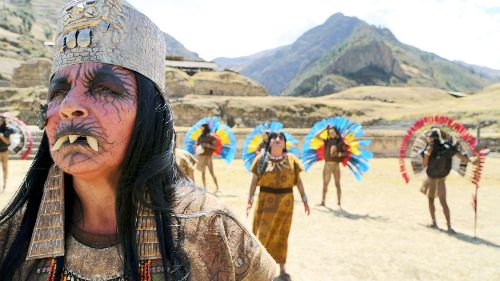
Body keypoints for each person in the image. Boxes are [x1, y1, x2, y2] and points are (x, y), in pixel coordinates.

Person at [0, 1, 276, 280]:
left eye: (105, 89)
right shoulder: (9, 239)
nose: (69, 106)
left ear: (148, 115)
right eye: (58, 91)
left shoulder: (215, 234)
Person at [246, 132, 310, 281]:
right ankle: (260, 267)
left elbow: (298, 181)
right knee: (262, 234)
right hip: (265, 204)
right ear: (269, 143)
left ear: (284, 143)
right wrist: (250, 200)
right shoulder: (261, 160)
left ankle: (281, 267)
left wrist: (305, 199)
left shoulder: (292, 160)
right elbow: (254, 181)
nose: (277, 139)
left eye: (281, 138)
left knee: (282, 235)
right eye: (274, 137)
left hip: (285, 206)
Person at [421, 128, 476, 233]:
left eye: (429, 138)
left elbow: (424, 164)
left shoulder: (429, 149)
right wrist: (472, 162)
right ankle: (449, 227)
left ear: (431, 139)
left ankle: (434, 223)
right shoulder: (447, 148)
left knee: (431, 200)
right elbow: (462, 157)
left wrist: (427, 154)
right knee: (443, 202)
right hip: (442, 178)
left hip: (432, 178)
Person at [319, 126, 347, 208]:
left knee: (337, 184)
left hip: (336, 166)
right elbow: (316, 136)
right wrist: (324, 129)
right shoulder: (327, 141)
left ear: (336, 133)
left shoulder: (340, 142)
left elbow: (346, 152)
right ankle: (323, 201)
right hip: (327, 165)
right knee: (325, 184)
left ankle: (339, 203)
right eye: (330, 132)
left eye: (333, 132)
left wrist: (339, 154)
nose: (331, 133)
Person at [196, 124, 220, 192]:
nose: (200, 128)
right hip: (201, 156)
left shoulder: (211, 136)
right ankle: (204, 188)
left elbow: (215, 147)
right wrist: (199, 148)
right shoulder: (200, 137)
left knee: (212, 172)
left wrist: (207, 145)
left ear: (205, 127)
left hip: (208, 157)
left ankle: (217, 188)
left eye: (202, 126)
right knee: (203, 173)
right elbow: (197, 146)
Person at [0, 115, 12, 191]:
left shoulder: (6, 130)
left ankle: (4, 185)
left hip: (4, 151)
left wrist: (1, 136)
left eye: (1, 120)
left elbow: (8, 142)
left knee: (5, 168)